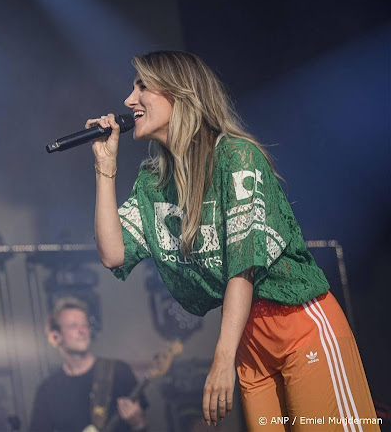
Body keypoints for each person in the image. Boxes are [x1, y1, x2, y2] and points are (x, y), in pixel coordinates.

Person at [89, 51, 379, 430]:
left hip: (300, 328)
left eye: (142, 86)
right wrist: (105, 169)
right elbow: (114, 254)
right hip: (250, 344)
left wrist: (221, 360)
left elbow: (244, 263)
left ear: (181, 93)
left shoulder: (235, 156)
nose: (129, 100)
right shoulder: (154, 183)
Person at [30, 297, 148, 432]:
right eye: (73, 326)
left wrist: (138, 423)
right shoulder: (47, 391)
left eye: (85, 325)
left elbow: (144, 426)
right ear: (55, 337)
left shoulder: (118, 371)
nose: (82, 331)